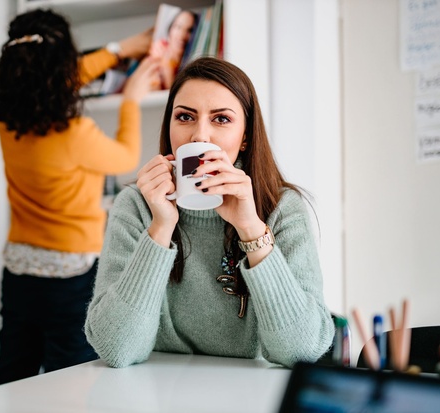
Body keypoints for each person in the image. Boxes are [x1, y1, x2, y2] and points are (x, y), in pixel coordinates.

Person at [84, 57, 335, 368]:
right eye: (185, 117)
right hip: (159, 389)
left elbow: (302, 351)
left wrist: (251, 228)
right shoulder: (136, 205)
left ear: (245, 136)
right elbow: (115, 348)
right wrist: (161, 227)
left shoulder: (282, 208)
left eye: (221, 119)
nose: (200, 136)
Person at [0, 9, 159, 385]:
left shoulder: (9, 125)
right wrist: (131, 99)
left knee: (13, 370)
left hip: (19, 267)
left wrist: (117, 49)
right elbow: (127, 156)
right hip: (70, 274)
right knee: (70, 377)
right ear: (60, 67)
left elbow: (55, 77)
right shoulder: (74, 133)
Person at [149, 9, 197, 90]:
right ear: (170, 29)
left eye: (189, 30)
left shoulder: (190, 63)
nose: (182, 35)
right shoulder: (159, 48)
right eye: (178, 27)